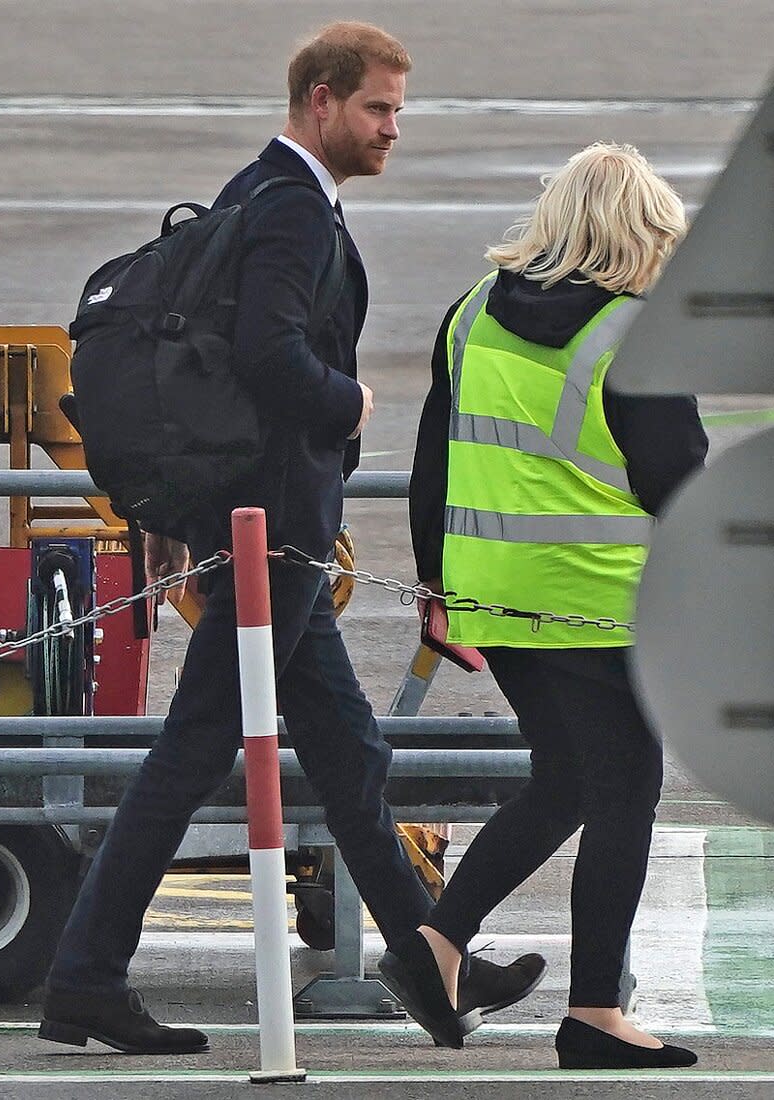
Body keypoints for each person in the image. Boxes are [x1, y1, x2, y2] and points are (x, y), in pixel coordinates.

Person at [39, 22, 544, 1055]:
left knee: (350, 754)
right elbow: (269, 359)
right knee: (188, 756)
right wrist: (347, 401)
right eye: (377, 108)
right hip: (273, 536)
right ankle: (84, 977)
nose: (392, 128)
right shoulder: (290, 214)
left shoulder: (260, 195)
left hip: (272, 535)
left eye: (397, 109)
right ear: (320, 100)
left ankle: (429, 962)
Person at [380, 143, 709, 1066]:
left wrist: (436, 589)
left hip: (496, 595)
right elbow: (677, 482)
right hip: (599, 604)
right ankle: (595, 1011)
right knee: (626, 792)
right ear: (641, 233)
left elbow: (433, 463)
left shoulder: (472, 312)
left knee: (567, 778)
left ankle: (435, 949)